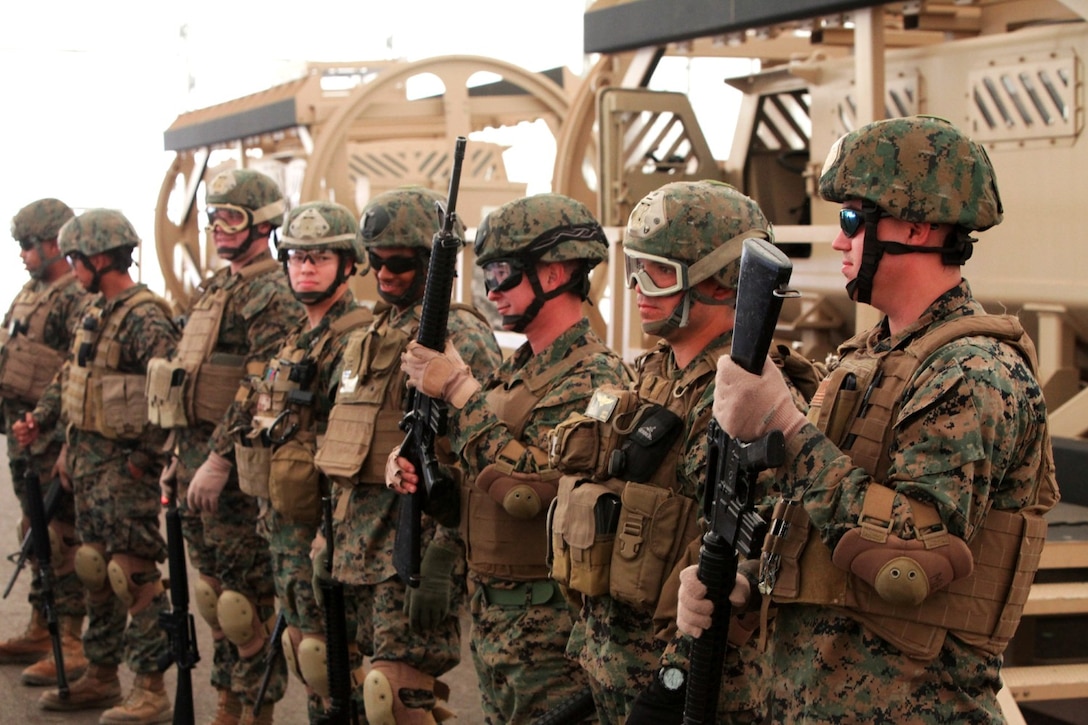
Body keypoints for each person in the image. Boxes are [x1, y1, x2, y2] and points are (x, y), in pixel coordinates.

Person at [679, 115, 1059, 722]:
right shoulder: (866, 359)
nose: (838, 241)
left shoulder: (972, 371)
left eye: (853, 221)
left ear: (917, 226)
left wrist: (786, 427)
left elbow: (905, 563)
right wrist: (746, 583)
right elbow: (823, 528)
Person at [548, 180, 813, 724]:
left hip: (697, 689)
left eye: (661, 272)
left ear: (723, 280)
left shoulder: (754, 394)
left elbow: (745, 553)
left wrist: (671, 683)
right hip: (614, 665)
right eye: (636, 268)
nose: (639, 287)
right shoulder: (655, 375)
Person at [393, 193, 630, 724]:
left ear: (558, 271)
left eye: (503, 274)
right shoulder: (515, 372)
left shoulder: (595, 379)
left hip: (550, 629)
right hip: (497, 617)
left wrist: (460, 391)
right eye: (486, 278)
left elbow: (531, 492)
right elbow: (482, 482)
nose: (492, 293)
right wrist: (425, 475)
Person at [313, 186, 501, 723]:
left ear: (427, 261)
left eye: (398, 263)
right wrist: (328, 535)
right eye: (375, 262)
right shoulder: (370, 332)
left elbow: (478, 445)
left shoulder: (458, 331)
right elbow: (347, 442)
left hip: (411, 548)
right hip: (357, 544)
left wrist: (445, 553)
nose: (385, 274)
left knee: (393, 698)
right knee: (343, 688)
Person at [146, 168, 305, 724]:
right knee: (215, 601)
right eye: (211, 217)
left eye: (230, 217)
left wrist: (216, 459)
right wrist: (176, 455)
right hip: (193, 463)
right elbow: (191, 380)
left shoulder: (271, 291)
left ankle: (253, 711)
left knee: (245, 604)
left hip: (235, 473)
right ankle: (226, 704)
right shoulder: (219, 286)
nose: (216, 227)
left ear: (262, 224)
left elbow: (262, 384)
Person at [13, 208, 181, 722]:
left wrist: (143, 462)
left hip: (122, 470)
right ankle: (102, 676)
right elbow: (70, 378)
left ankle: (151, 688)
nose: (71, 265)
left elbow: (167, 395)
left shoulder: (145, 315)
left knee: (131, 576)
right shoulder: (96, 312)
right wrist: (42, 423)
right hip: (85, 465)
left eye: (76, 257)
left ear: (101, 257)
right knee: (93, 572)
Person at [231, 200, 374, 723]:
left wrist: (330, 532)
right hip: (285, 528)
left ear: (349, 263)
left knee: (335, 664)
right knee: (308, 655)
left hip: (326, 536)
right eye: (295, 257)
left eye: (320, 257)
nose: (305, 267)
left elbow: (357, 447)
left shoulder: (355, 341)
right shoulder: (298, 340)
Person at [0, 198, 90, 688]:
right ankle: (41, 625)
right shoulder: (30, 294)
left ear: (55, 244)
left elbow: (79, 375)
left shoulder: (75, 298)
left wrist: (68, 445)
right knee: (35, 531)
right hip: (25, 436)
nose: (22, 255)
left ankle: (70, 640)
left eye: (27, 246)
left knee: (61, 537)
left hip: (55, 438)